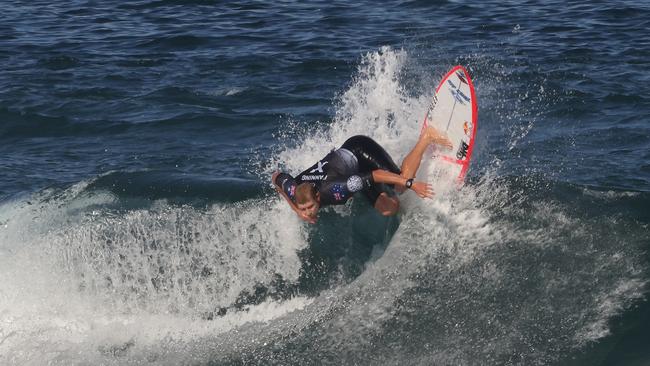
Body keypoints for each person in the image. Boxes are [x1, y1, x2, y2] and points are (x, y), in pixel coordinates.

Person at [271, 126, 453, 224]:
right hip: (351, 170)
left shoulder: (337, 189)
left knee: (400, 186)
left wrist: (410, 183)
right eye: (304, 209)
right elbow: (277, 177)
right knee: (388, 209)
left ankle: (427, 137)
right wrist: (296, 210)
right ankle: (394, 189)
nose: (307, 212)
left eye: (309, 207)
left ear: (317, 196)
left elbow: (374, 175)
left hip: (360, 150)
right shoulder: (295, 191)